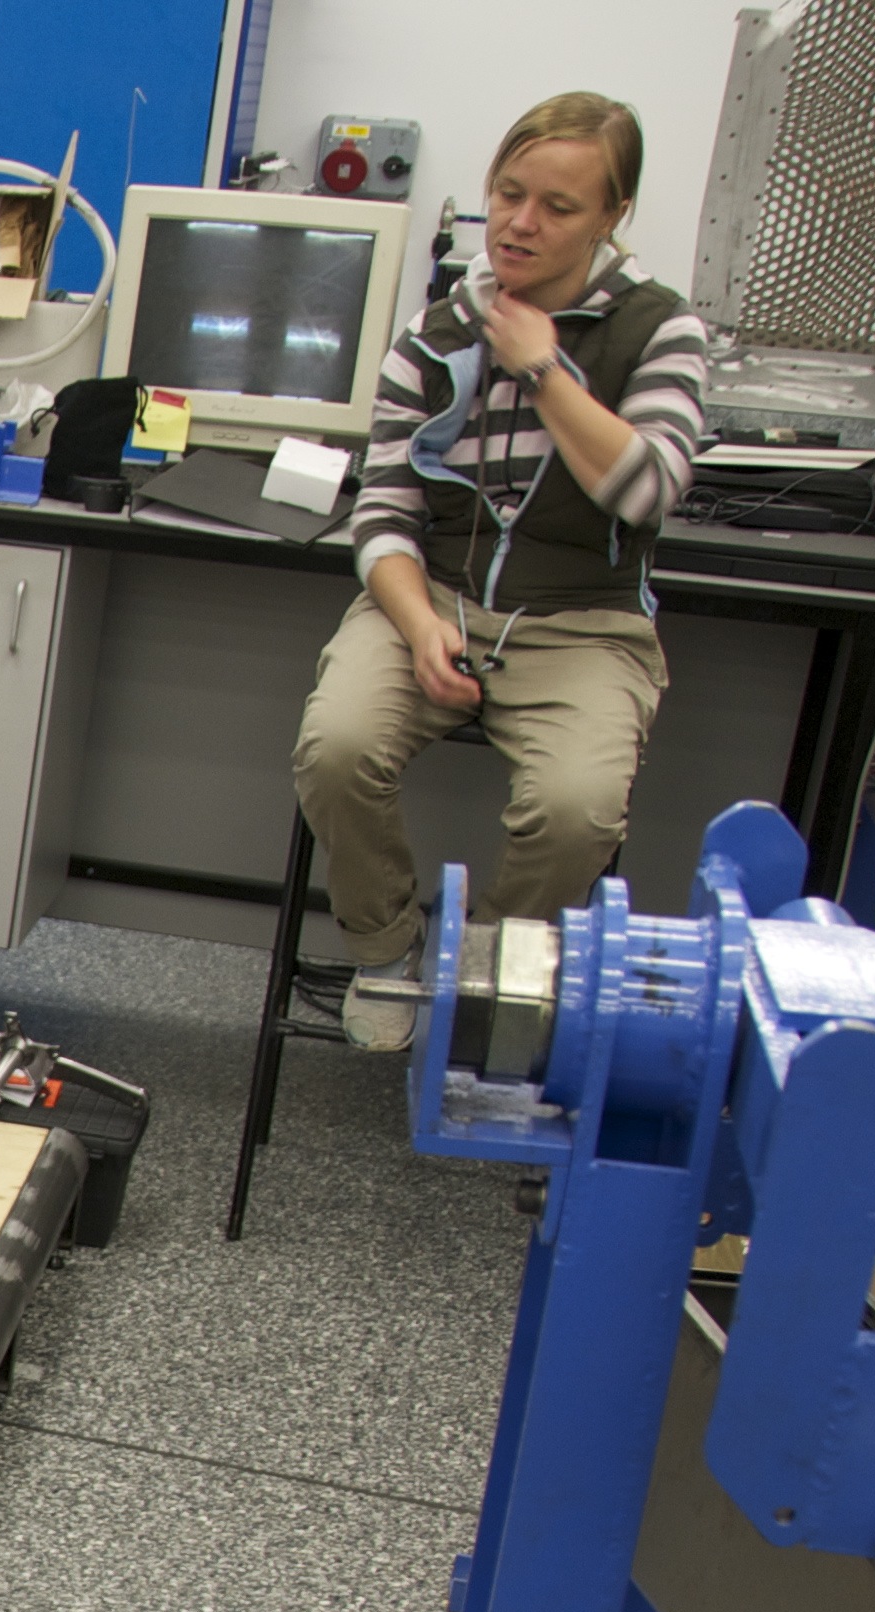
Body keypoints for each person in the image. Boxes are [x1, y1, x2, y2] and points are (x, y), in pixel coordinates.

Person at [292, 91, 713, 1051]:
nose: (521, 223)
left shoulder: (661, 331)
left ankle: (484, 974)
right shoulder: (437, 333)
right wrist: (419, 623)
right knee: (338, 746)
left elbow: (648, 490)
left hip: (583, 621)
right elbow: (385, 511)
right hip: (432, 598)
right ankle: (387, 949)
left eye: (558, 207)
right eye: (508, 193)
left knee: (575, 811)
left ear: (613, 215)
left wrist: (542, 367)